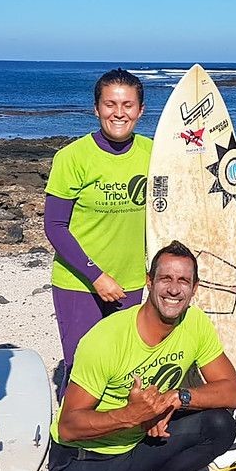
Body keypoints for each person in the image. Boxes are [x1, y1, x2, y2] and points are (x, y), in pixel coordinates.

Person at [22, 241, 236, 471]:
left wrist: (176, 399)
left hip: (138, 449)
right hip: (86, 457)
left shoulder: (194, 324)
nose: (173, 288)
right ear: (149, 281)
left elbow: (232, 391)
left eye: (183, 281)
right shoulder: (106, 339)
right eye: (165, 278)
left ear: (195, 288)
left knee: (221, 425)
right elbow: (69, 426)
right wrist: (130, 415)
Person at [44, 68, 153, 397]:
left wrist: (233, 176)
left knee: (122, 372)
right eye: (110, 104)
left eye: (128, 105)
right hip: (79, 284)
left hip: (131, 282)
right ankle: (69, 446)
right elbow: (54, 226)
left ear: (141, 110)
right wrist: (96, 276)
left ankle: (112, 446)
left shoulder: (155, 154)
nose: (119, 113)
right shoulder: (72, 157)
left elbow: (190, 192)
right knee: (82, 372)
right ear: (96, 108)